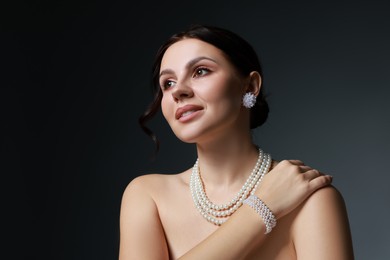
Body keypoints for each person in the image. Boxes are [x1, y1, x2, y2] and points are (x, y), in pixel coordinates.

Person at [119, 24, 354, 259]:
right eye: (167, 83)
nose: (178, 91)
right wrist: (261, 208)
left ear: (250, 86)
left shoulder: (310, 199)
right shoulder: (147, 197)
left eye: (200, 71)